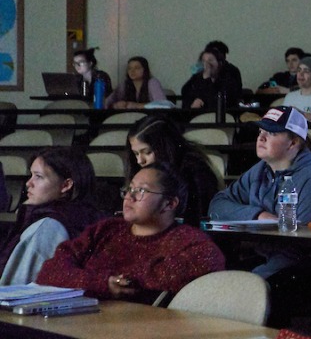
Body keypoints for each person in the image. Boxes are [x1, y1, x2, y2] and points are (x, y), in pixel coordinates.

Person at [36, 163, 225, 303]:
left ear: (169, 204)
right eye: (129, 188)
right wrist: (103, 284)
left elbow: (210, 260)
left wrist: (118, 281)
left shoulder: (188, 241)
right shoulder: (106, 229)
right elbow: (49, 271)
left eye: (141, 191)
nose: (129, 196)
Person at [209, 106, 311, 278]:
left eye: (272, 133)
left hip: (309, 274)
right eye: (261, 131)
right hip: (270, 260)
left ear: (293, 142)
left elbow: (305, 248)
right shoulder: (260, 170)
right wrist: (257, 214)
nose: (261, 137)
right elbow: (217, 205)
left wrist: (253, 280)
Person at [0, 148, 108, 285]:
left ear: (66, 185)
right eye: (31, 175)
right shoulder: (90, 215)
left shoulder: (47, 227)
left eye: (38, 177)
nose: (28, 183)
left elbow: (14, 291)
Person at [126, 115, 221, 227]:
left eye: (147, 152)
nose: (139, 160)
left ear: (165, 147)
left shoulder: (194, 171)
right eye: (136, 153)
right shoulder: (141, 171)